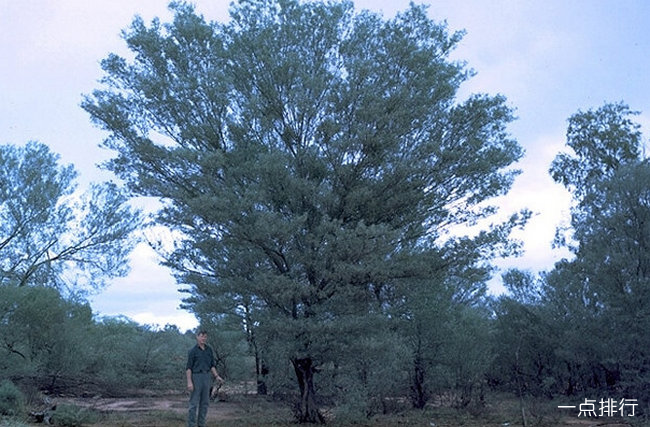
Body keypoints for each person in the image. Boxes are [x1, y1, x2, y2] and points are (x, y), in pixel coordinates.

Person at [186, 329, 223, 427]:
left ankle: (201, 424)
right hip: (196, 377)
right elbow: (188, 368)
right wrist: (189, 382)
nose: (204, 338)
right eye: (202, 336)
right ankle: (191, 424)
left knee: (205, 402)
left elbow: (212, 365)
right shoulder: (193, 351)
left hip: (207, 377)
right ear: (197, 337)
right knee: (193, 403)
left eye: (205, 337)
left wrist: (217, 376)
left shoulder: (209, 350)